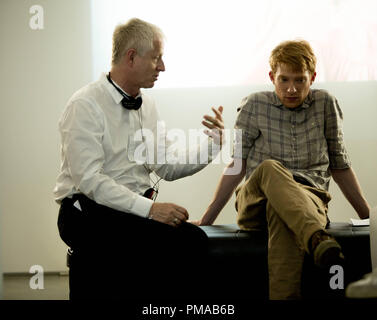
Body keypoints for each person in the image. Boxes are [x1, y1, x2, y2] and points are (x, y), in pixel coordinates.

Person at [53, 18, 224, 299]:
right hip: (85, 211)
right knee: (171, 244)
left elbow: (166, 166)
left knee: (192, 241)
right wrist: (152, 210)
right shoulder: (84, 104)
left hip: (131, 211)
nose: (163, 67)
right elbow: (90, 181)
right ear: (131, 56)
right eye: (156, 58)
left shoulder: (149, 104)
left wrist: (213, 145)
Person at [193, 40, 370, 300]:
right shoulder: (253, 105)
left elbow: (340, 166)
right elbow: (236, 165)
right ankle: (316, 238)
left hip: (308, 198)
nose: (291, 89)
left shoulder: (325, 104)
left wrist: (369, 220)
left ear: (313, 78)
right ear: (271, 77)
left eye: (300, 80)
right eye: (283, 79)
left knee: (282, 212)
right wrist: (207, 220)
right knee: (269, 168)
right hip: (255, 200)